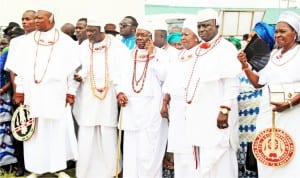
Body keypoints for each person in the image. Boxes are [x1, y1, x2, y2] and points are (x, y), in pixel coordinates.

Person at [8, 7, 80, 178]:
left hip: (57, 93)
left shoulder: (65, 41)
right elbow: (20, 70)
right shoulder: (26, 42)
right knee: (35, 131)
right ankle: (35, 169)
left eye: (40, 18)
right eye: (35, 18)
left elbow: (72, 71)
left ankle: (57, 168)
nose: (36, 21)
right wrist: (20, 91)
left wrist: (71, 91)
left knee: (56, 130)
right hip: (33, 94)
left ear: (51, 19)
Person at [237, 11, 300, 178]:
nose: (278, 35)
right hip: (268, 112)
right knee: (267, 153)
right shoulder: (273, 55)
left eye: (283, 31)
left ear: (295, 32)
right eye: (276, 31)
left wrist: (289, 104)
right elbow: (258, 82)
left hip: (292, 113)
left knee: (291, 155)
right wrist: (244, 65)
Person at [185, 8, 241, 178]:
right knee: (204, 159)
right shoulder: (197, 51)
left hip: (218, 115)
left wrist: (224, 110)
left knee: (221, 160)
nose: (202, 30)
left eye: (206, 26)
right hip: (201, 115)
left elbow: (232, 82)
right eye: (199, 26)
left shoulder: (226, 48)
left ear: (217, 25)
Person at [72, 18, 129, 178]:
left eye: (92, 31)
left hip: (108, 95)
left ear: (102, 30)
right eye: (87, 30)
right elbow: (81, 67)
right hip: (87, 95)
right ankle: (86, 171)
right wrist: (80, 75)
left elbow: (122, 72)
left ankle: (112, 170)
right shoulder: (83, 46)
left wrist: (121, 91)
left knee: (107, 130)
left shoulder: (117, 47)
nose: (88, 34)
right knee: (86, 130)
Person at [116, 23, 168, 178]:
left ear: (151, 37)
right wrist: (119, 93)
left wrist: (152, 57)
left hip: (152, 108)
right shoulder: (128, 55)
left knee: (149, 149)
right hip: (131, 107)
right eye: (138, 34)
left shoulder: (162, 55)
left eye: (144, 35)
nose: (139, 38)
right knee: (131, 148)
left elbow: (165, 77)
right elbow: (118, 78)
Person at [160, 18, 200, 178]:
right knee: (179, 148)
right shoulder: (178, 56)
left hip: (193, 108)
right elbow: (169, 83)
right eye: (181, 35)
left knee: (192, 149)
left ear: (196, 37)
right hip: (176, 109)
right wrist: (164, 103)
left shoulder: (201, 55)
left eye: (186, 35)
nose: (182, 38)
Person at [235, 22, 275, 178]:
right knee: (240, 158)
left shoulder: (273, 61)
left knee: (255, 159)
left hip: (259, 118)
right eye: (249, 37)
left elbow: (260, 84)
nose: (249, 41)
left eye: (254, 37)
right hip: (239, 118)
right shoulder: (240, 59)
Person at [4, 10, 36, 177]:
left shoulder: (45, 41)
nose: (25, 22)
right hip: (20, 92)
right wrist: (17, 93)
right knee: (20, 128)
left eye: (28, 19)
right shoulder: (17, 42)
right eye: (23, 19)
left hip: (39, 92)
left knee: (38, 129)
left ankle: (39, 164)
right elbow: (13, 70)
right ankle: (21, 165)